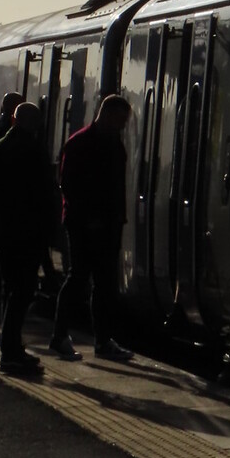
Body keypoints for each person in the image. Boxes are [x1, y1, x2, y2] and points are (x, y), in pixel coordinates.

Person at [50, 93, 132, 360]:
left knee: (105, 283)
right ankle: (59, 336)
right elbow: (68, 185)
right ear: (105, 114)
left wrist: (117, 218)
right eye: (120, 119)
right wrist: (89, 218)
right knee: (78, 278)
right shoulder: (79, 143)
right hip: (83, 225)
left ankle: (103, 340)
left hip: (109, 225)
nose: (122, 125)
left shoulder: (115, 145)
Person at [0, 101, 58, 373]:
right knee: (22, 292)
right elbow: (45, 197)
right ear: (37, 125)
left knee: (9, 289)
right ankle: (10, 352)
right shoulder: (35, 153)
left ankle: (11, 348)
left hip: (2, 231)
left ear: (13, 121)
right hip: (28, 234)